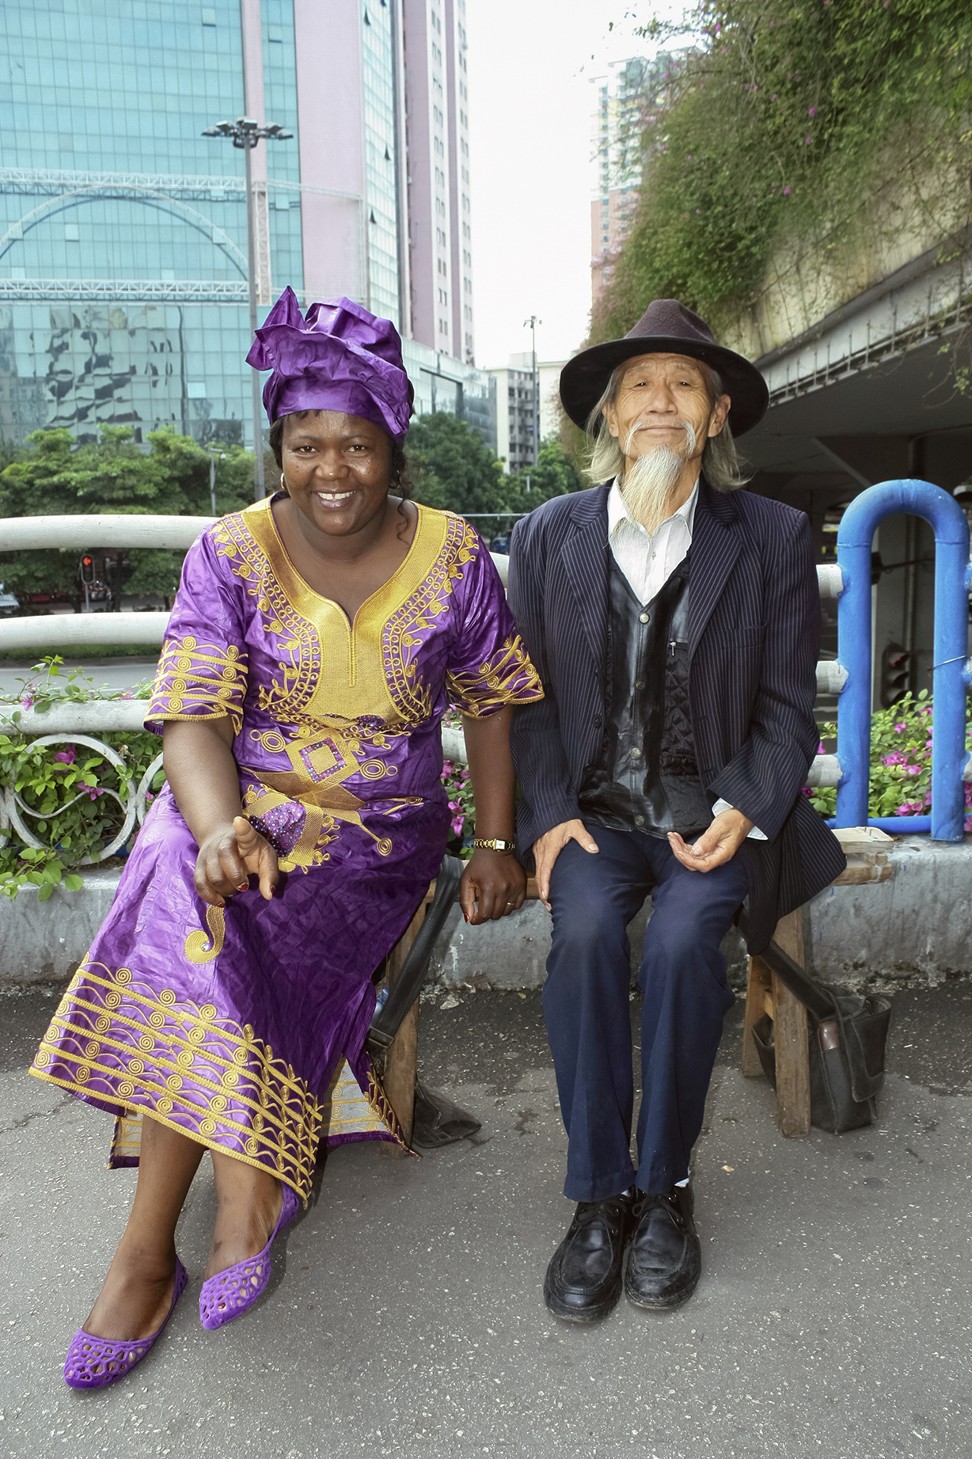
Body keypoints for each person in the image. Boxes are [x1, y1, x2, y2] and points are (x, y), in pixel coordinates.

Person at [31, 287, 542, 1387]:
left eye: (357, 444)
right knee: (184, 867)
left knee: (196, 902)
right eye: (307, 444)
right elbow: (194, 716)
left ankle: (172, 1236)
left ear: (392, 450)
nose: (333, 469)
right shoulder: (228, 551)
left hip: (377, 831)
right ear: (279, 447)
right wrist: (220, 829)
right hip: (238, 801)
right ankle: (209, 1204)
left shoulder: (455, 555)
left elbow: (491, 702)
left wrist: (494, 841)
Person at [507, 299, 845, 1323]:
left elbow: (792, 705)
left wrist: (744, 806)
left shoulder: (775, 537)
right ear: (610, 415)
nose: (660, 399)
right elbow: (524, 702)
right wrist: (549, 812)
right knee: (588, 938)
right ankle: (597, 1192)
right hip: (595, 819)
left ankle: (667, 1193)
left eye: (683, 383)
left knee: (686, 943)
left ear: (716, 413)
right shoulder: (547, 535)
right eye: (639, 384)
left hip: (712, 819)